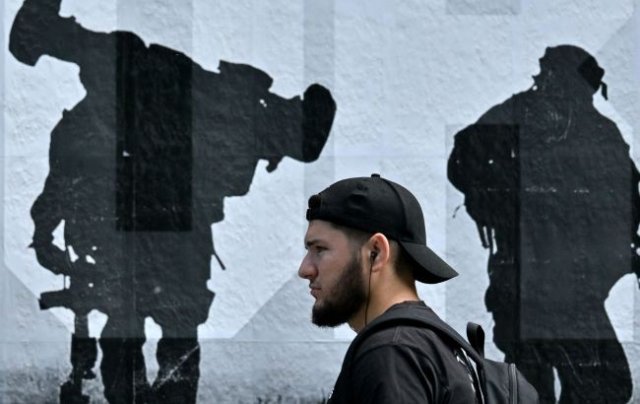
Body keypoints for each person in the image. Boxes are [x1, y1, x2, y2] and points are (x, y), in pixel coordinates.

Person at [10, 0, 336, 403]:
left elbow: (67, 162)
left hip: (146, 233)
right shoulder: (191, 93)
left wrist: (46, 229)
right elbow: (71, 160)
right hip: (168, 235)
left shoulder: (145, 77)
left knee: (136, 336)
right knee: (165, 340)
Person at [448, 45, 637, 403]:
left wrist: (615, 255)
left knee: (603, 385)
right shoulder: (519, 113)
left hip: (574, 291)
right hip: (524, 287)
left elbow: (628, 198)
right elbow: (462, 159)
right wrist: (498, 199)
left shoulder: (599, 132)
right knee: (536, 388)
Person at [298, 174, 478, 403]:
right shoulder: (426, 344)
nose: (305, 269)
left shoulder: (391, 352)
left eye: (320, 249)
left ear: (376, 253)